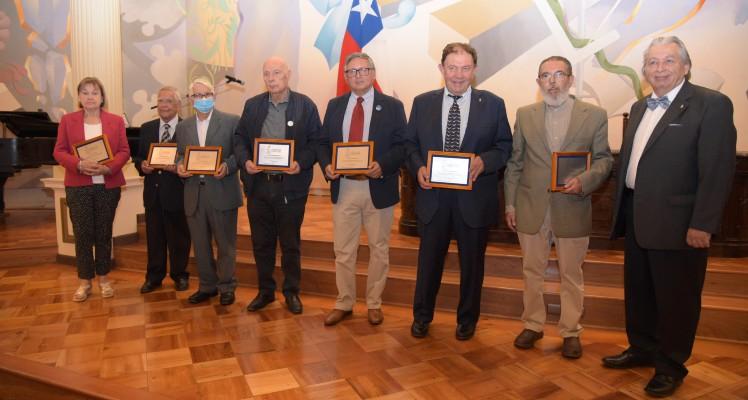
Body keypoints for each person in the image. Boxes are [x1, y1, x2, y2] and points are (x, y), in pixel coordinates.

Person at [603, 36, 736, 397]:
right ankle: (643, 348)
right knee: (640, 293)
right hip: (637, 217)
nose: (659, 69)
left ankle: (670, 365)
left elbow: (718, 170)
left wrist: (703, 224)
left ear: (686, 66)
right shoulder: (641, 105)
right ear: (644, 70)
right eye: (652, 62)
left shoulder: (711, 105)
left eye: (668, 61)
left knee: (677, 299)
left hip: (681, 225)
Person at [504, 56, 613, 358]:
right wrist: (510, 203)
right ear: (538, 82)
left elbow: (604, 159)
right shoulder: (525, 114)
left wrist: (585, 180)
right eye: (545, 76)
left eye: (559, 74)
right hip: (530, 205)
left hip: (573, 205)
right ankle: (533, 324)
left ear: (570, 79)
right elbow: (515, 162)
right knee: (531, 271)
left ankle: (570, 330)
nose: (552, 81)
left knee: (571, 273)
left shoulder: (594, 115)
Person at [405, 43, 512, 340]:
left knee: (472, 266)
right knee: (428, 264)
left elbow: (504, 147)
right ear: (441, 69)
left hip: (473, 199)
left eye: (465, 68)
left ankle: (467, 319)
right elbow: (409, 145)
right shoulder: (422, 103)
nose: (458, 75)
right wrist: (418, 168)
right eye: (452, 67)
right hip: (432, 199)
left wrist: (484, 161)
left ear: (474, 71)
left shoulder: (493, 104)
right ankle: (422, 316)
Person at [317, 52, 407, 326]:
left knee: (379, 248)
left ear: (373, 72)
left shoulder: (392, 106)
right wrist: (327, 165)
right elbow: (322, 143)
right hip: (344, 188)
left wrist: (383, 165)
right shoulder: (334, 105)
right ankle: (344, 302)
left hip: (377, 187)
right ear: (345, 77)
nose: (358, 75)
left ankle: (373, 303)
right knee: (343, 250)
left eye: (363, 70)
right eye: (352, 71)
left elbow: (403, 145)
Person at [234, 56, 322, 314]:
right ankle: (265, 291)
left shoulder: (305, 106)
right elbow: (239, 138)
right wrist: (246, 160)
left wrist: (300, 163)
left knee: (290, 243)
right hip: (259, 185)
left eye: (276, 73)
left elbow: (316, 143)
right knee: (261, 242)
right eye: (266, 74)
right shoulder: (252, 106)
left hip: (290, 187)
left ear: (288, 74)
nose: (271, 78)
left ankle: (291, 292)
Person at [53, 77, 130, 302]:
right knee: (83, 235)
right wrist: (78, 164)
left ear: (102, 97)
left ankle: (104, 279)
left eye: (94, 93)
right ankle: (84, 281)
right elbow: (59, 151)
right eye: (85, 92)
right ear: (78, 97)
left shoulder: (115, 121)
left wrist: (109, 168)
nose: (89, 97)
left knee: (104, 233)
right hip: (78, 186)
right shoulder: (68, 121)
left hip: (108, 185)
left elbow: (124, 151)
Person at [176, 77, 242, 306]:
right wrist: (180, 166)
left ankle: (227, 286)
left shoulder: (232, 121)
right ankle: (207, 286)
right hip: (194, 193)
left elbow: (240, 154)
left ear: (213, 96)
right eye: (197, 95)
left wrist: (228, 166)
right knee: (200, 244)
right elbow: (181, 154)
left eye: (206, 95)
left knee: (225, 244)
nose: (202, 99)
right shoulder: (183, 126)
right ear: (190, 99)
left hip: (222, 191)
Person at [133, 86, 191, 294]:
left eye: (168, 101)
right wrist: (142, 166)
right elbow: (138, 158)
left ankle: (179, 275)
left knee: (179, 238)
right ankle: (154, 277)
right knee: (154, 238)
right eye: (160, 101)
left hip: (177, 192)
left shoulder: (187, 128)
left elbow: (190, 159)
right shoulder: (147, 127)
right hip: (153, 193)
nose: (164, 105)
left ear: (177, 105)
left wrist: (178, 167)